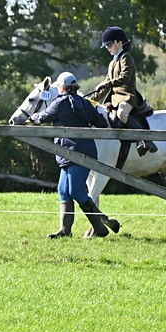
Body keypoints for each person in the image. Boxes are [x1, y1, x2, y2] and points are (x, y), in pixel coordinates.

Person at [30, 72, 120, 238]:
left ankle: (99, 228)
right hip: (79, 152)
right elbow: (100, 122)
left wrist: (34, 116)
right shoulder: (85, 104)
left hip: (72, 153)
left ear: (62, 88)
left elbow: (43, 117)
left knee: (76, 191)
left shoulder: (59, 102)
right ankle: (65, 231)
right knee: (63, 190)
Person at [91, 26, 157, 156]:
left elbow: (124, 78)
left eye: (109, 44)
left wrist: (105, 83)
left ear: (119, 42)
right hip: (115, 98)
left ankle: (145, 140)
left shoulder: (126, 58)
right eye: (106, 46)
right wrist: (91, 100)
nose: (107, 48)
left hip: (127, 96)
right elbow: (106, 87)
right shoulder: (112, 63)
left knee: (121, 114)